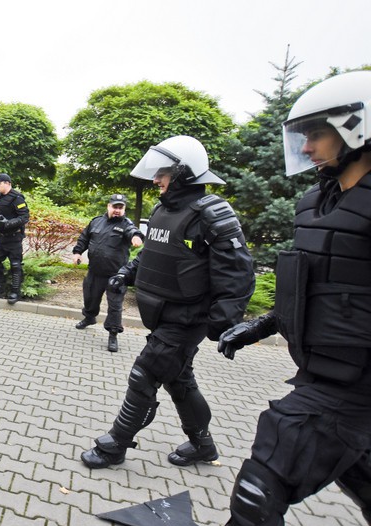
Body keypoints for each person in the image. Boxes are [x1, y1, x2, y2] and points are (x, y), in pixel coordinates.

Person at [217, 71, 371, 526]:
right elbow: (317, 285)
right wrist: (262, 325)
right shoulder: (319, 205)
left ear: (357, 130)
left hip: (351, 387)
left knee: (257, 493)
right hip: (326, 371)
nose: (306, 149)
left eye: (317, 135)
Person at [79, 135, 255, 471]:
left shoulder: (213, 212)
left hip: (188, 318)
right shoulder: (163, 210)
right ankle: (203, 446)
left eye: (164, 173)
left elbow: (239, 273)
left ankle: (115, 445)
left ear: (185, 174)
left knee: (144, 374)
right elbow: (152, 253)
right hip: (162, 314)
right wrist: (125, 273)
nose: (157, 179)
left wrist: (221, 321)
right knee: (179, 380)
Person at [72, 193, 144, 352]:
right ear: (108, 206)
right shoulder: (96, 221)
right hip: (95, 271)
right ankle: (89, 317)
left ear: (124, 209)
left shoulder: (126, 224)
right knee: (90, 297)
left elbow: (133, 231)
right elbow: (84, 238)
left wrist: (137, 237)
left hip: (116, 276)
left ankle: (113, 334)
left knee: (115, 306)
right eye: (115, 207)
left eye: (121, 207)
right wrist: (77, 252)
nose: (117, 210)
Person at [0, 173, 30, 304]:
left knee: (15, 265)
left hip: (14, 237)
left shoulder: (17, 198)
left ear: (7, 183)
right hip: (1, 238)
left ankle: (15, 292)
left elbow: (24, 217)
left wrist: (9, 223)